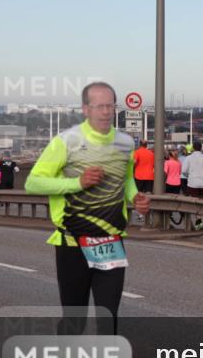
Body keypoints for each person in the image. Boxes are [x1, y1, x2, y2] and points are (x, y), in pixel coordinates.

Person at [25, 81, 150, 334]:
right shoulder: (66, 142)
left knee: (108, 318)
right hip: (73, 242)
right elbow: (32, 182)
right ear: (85, 109)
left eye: (110, 106)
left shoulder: (126, 143)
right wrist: (77, 182)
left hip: (110, 241)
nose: (106, 112)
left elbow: (125, 179)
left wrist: (136, 198)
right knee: (75, 321)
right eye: (99, 106)